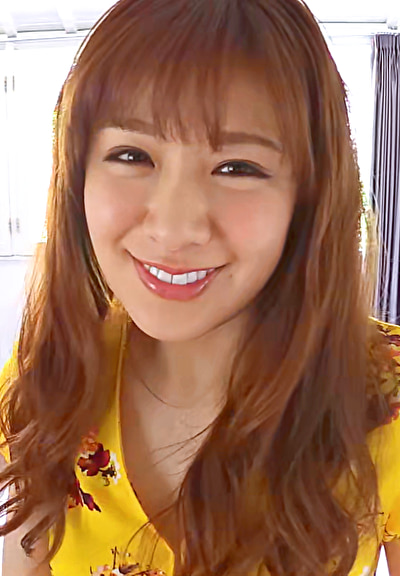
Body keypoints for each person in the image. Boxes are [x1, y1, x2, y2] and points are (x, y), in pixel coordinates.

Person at [1, 0, 400, 574]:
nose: (173, 228)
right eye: (132, 155)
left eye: (237, 167)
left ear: (309, 197)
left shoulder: (386, 396)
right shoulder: (47, 376)